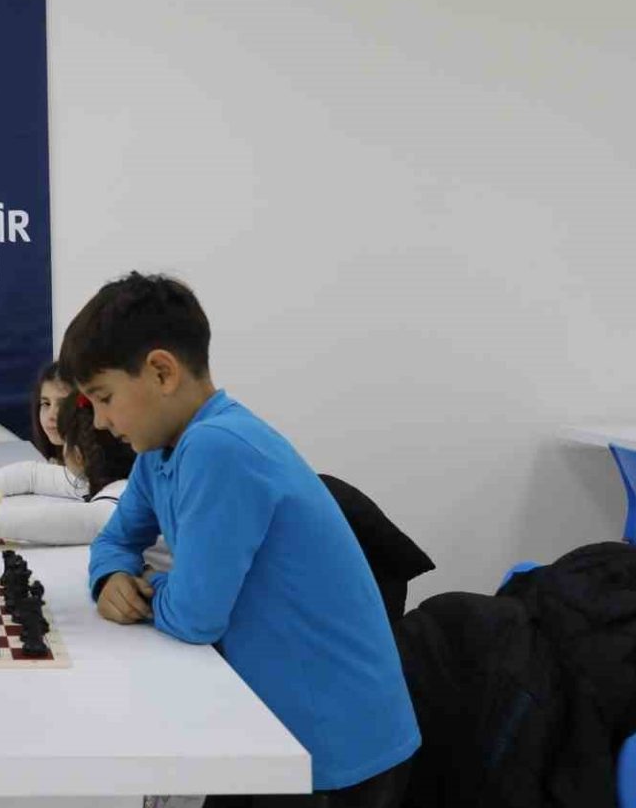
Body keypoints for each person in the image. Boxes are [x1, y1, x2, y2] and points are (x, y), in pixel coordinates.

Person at [65, 273, 418, 806]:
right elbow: (115, 539)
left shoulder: (219, 446)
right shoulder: (159, 453)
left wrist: (148, 585)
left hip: (332, 746)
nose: (100, 422)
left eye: (105, 398)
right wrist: (111, 575)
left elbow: (195, 615)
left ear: (161, 372)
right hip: (269, 720)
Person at [0, 391, 169, 562]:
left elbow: (84, 521)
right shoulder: (96, 479)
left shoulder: (122, 492)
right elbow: (32, 474)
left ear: (78, 454)